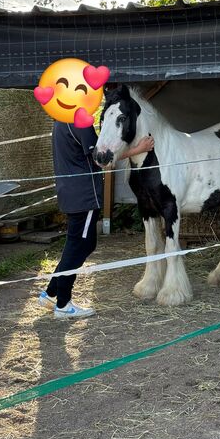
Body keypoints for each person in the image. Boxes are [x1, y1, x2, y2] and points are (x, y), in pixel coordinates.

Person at [39, 120, 154, 319]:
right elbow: (100, 159)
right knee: (80, 246)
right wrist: (138, 149)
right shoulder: (79, 122)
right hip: (84, 195)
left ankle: (51, 293)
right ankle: (63, 304)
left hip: (70, 191)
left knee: (81, 244)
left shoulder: (60, 119)